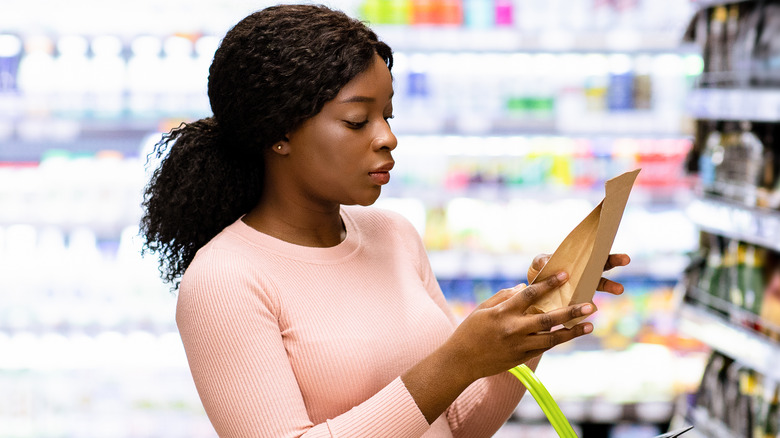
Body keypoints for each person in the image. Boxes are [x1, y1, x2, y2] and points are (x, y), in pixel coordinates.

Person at [140, 4, 630, 437]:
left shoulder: (394, 235)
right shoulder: (224, 279)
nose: (387, 138)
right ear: (278, 133)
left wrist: (531, 323)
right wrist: (454, 362)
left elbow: (455, 426)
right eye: (358, 121)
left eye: (388, 116)